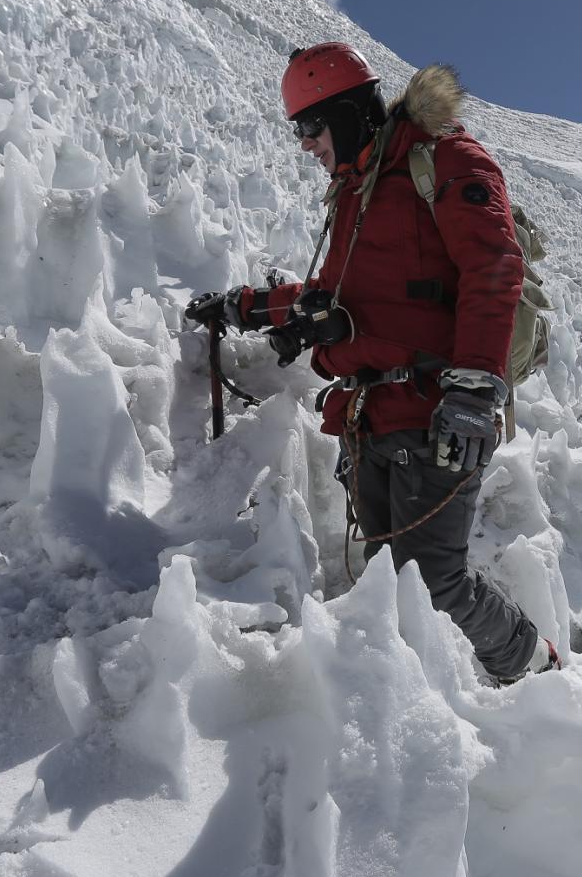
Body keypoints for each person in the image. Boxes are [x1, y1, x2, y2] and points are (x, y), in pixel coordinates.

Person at [187, 43, 559, 684]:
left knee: (434, 582)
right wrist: (241, 307)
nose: (304, 144)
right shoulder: (354, 195)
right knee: (389, 580)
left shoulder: (442, 159)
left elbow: (494, 265)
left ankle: (530, 666)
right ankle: (414, 701)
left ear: (349, 113)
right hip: (371, 418)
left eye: (310, 125)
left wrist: (473, 391)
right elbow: (325, 297)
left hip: (437, 416)